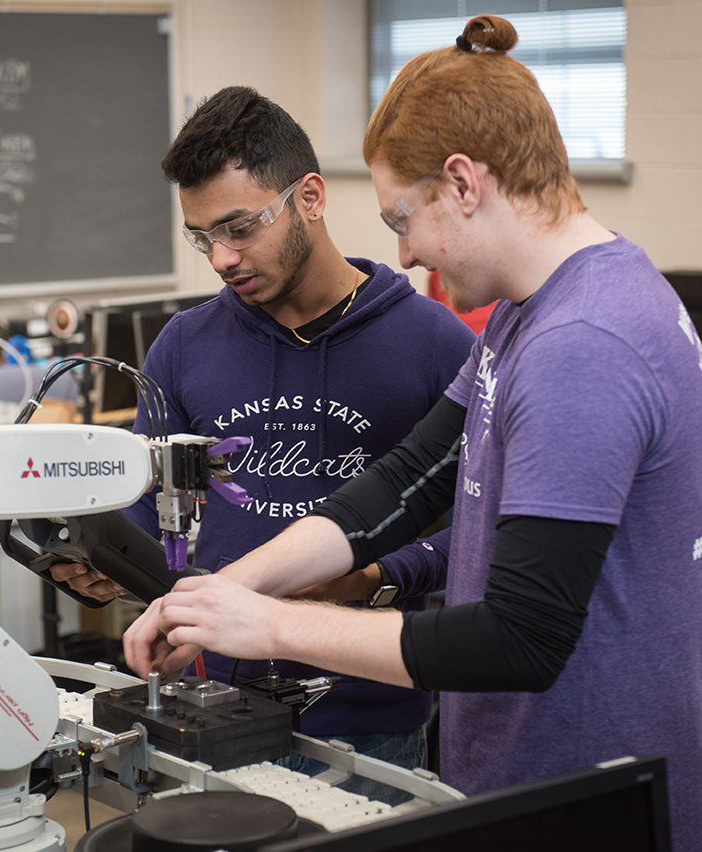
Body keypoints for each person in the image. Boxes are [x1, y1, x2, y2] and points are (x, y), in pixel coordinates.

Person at [123, 17, 702, 852]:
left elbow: (519, 636)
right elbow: (408, 480)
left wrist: (273, 627)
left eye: (402, 217)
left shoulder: (585, 344)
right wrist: (220, 595)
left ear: (462, 184)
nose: (403, 249)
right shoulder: (530, 313)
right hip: (522, 776)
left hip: (588, 792)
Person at [51, 86, 475, 800]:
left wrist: (377, 576)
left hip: (371, 721)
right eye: (201, 237)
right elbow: (144, 502)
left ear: (310, 196)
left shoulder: (435, 344)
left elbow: (482, 535)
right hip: (210, 707)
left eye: (240, 228)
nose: (219, 258)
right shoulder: (184, 346)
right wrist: (98, 560)